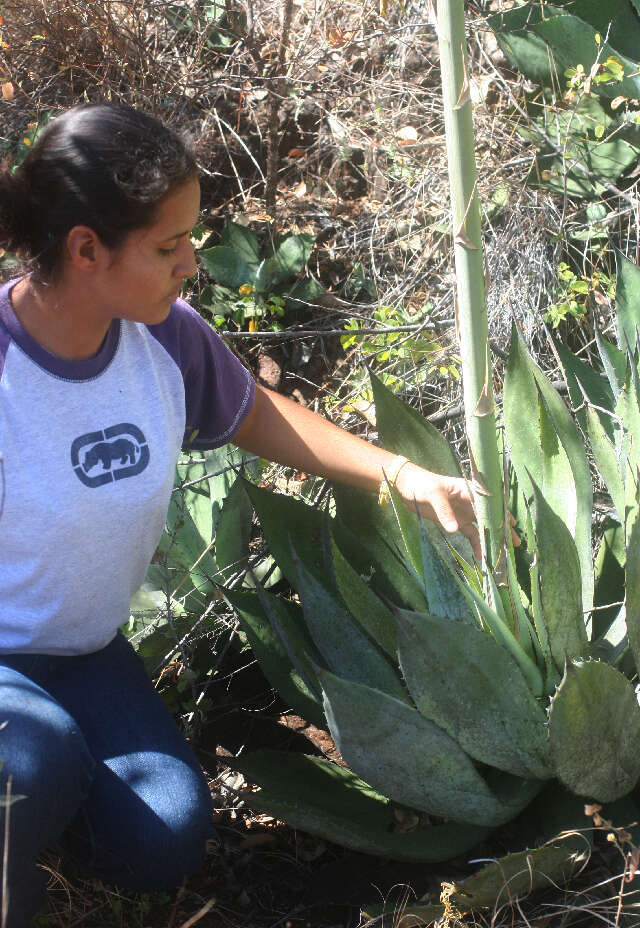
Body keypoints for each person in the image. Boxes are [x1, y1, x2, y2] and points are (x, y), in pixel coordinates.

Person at [0, 103, 480, 927]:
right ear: (86, 249)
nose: (192, 263)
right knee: (29, 759)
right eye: (167, 245)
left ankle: (35, 817)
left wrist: (401, 474)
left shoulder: (165, 338)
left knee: (165, 838)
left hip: (84, 655)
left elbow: (259, 415)